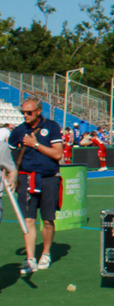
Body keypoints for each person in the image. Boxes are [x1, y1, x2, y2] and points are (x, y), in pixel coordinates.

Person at [7, 96, 64, 274]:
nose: (25, 115)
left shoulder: (52, 127)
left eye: (29, 112)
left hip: (49, 178)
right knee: (28, 220)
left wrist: (35, 144)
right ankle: (30, 258)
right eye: (22, 112)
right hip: (26, 178)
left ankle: (46, 253)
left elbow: (57, 155)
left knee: (47, 219)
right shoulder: (19, 130)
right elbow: (8, 153)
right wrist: (11, 174)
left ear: (38, 111)